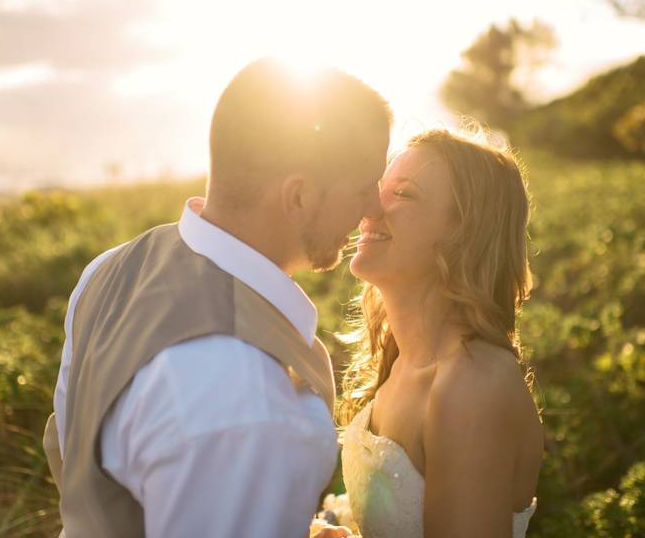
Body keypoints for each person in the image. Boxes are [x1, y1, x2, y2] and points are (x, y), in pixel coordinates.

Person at [43, 57, 392, 537]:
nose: (375, 205)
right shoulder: (242, 398)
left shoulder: (109, 268)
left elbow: (79, 454)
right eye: (363, 186)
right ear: (299, 197)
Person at [337, 127, 543, 538]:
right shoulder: (399, 361)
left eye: (405, 194)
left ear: (463, 233)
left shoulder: (472, 386)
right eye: (381, 188)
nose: (370, 206)